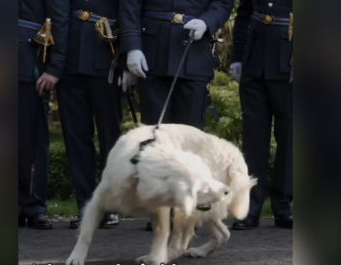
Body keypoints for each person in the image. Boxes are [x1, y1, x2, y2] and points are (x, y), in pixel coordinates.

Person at [118, 0, 235, 231]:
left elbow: (222, 2)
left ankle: (185, 210)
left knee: (190, 139)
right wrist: (132, 47)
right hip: (152, 50)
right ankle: (160, 211)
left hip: (193, 49)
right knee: (157, 138)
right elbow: (129, 5)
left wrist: (208, 21)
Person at [51, 0, 123, 229]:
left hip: (107, 53)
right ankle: (86, 205)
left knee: (110, 137)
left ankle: (111, 205)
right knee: (76, 137)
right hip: (70, 55)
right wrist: (56, 62)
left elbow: (129, 11)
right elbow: (58, 13)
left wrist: (126, 57)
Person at [230, 0, 293, 230]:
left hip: (290, 56)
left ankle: (283, 205)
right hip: (254, 55)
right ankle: (249, 206)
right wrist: (237, 54)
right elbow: (245, 12)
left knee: (290, 136)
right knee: (254, 136)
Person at [18, 0, 64, 229]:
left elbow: (59, 20)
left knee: (33, 143)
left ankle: (33, 206)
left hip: (30, 64)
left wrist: (55, 66)